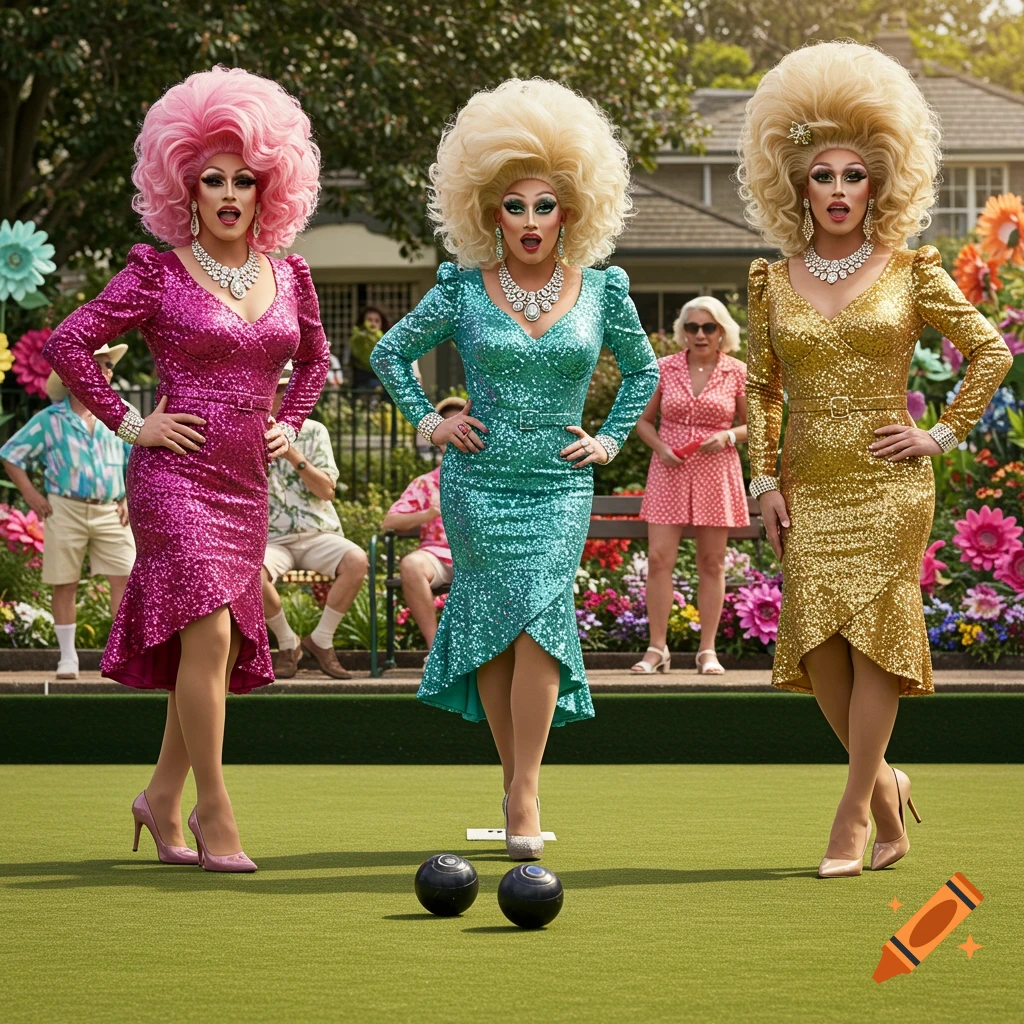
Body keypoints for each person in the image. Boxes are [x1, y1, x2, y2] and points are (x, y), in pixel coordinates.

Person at [738, 42, 1012, 877]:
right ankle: (888, 785)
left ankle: (853, 816)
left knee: (878, 640)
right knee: (820, 647)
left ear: (880, 181)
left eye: (854, 176)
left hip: (891, 484)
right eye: (823, 176)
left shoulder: (912, 272)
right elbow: (762, 391)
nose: (838, 192)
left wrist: (940, 434)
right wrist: (761, 479)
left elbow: (991, 351)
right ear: (796, 184)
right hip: (808, 486)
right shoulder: (771, 282)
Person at [42, 67, 326, 871]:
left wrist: (291, 425)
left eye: (245, 179)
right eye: (212, 180)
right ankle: (215, 810)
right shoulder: (157, 271)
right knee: (206, 631)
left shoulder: (290, 274)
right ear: (185, 189)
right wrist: (135, 424)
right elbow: (68, 343)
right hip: (175, 476)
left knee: (220, 647)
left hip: (245, 483)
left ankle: (159, 797)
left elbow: (313, 361)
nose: (230, 193)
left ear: (270, 186)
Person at [371, 78, 659, 860]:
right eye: (514, 206)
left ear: (571, 210)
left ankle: (524, 790)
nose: (530, 221)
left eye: (545, 205)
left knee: (538, 619)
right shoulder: (461, 290)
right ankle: (514, 782)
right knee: (495, 633)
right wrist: (431, 421)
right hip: (478, 484)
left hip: (560, 484)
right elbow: (389, 352)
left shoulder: (606, 290)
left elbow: (643, 372)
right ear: (488, 211)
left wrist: (608, 440)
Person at [0, 343, 136, 680]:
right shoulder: (50, 419)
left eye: (109, 365)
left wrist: (130, 500)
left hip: (111, 510)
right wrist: (30, 494)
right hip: (65, 508)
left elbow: (144, 458)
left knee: (124, 577)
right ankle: (67, 658)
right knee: (65, 582)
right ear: (79, 371)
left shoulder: (120, 412)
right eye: (101, 364)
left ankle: (116, 656)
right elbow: (11, 454)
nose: (108, 371)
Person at [633, 298, 748, 676]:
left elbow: (759, 425)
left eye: (708, 327)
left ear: (722, 332)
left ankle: (707, 651)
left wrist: (729, 435)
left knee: (712, 563)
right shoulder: (663, 369)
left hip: (717, 471)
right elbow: (643, 421)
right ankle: (656, 648)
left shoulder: (737, 372)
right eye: (692, 327)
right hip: (670, 469)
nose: (700, 334)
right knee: (658, 560)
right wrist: (662, 448)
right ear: (683, 332)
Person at [262, 362, 368, 680]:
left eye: (284, 388)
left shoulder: (314, 431)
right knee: (249, 574)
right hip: (271, 538)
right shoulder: (245, 431)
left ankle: (321, 641)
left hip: (317, 531)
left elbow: (326, 491)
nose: (278, 395)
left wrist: (293, 454)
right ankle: (287, 643)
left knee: (357, 559)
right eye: (273, 388)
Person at [380, 396, 466, 650]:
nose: (454, 431)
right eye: (447, 425)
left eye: (461, 425)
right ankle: (436, 650)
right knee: (411, 564)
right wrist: (427, 514)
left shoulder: (494, 478)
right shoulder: (426, 483)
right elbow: (389, 522)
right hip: (439, 557)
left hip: (481, 557)